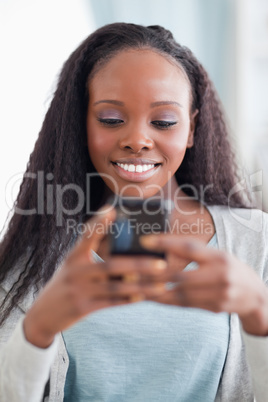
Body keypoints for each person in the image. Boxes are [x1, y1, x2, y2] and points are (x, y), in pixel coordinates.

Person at [0, 22, 268, 402]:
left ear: (191, 128)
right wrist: (38, 328)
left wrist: (260, 317)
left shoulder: (256, 241)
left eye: (163, 122)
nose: (138, 140)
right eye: (111, 119)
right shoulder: (39, 251)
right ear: (82, 123)